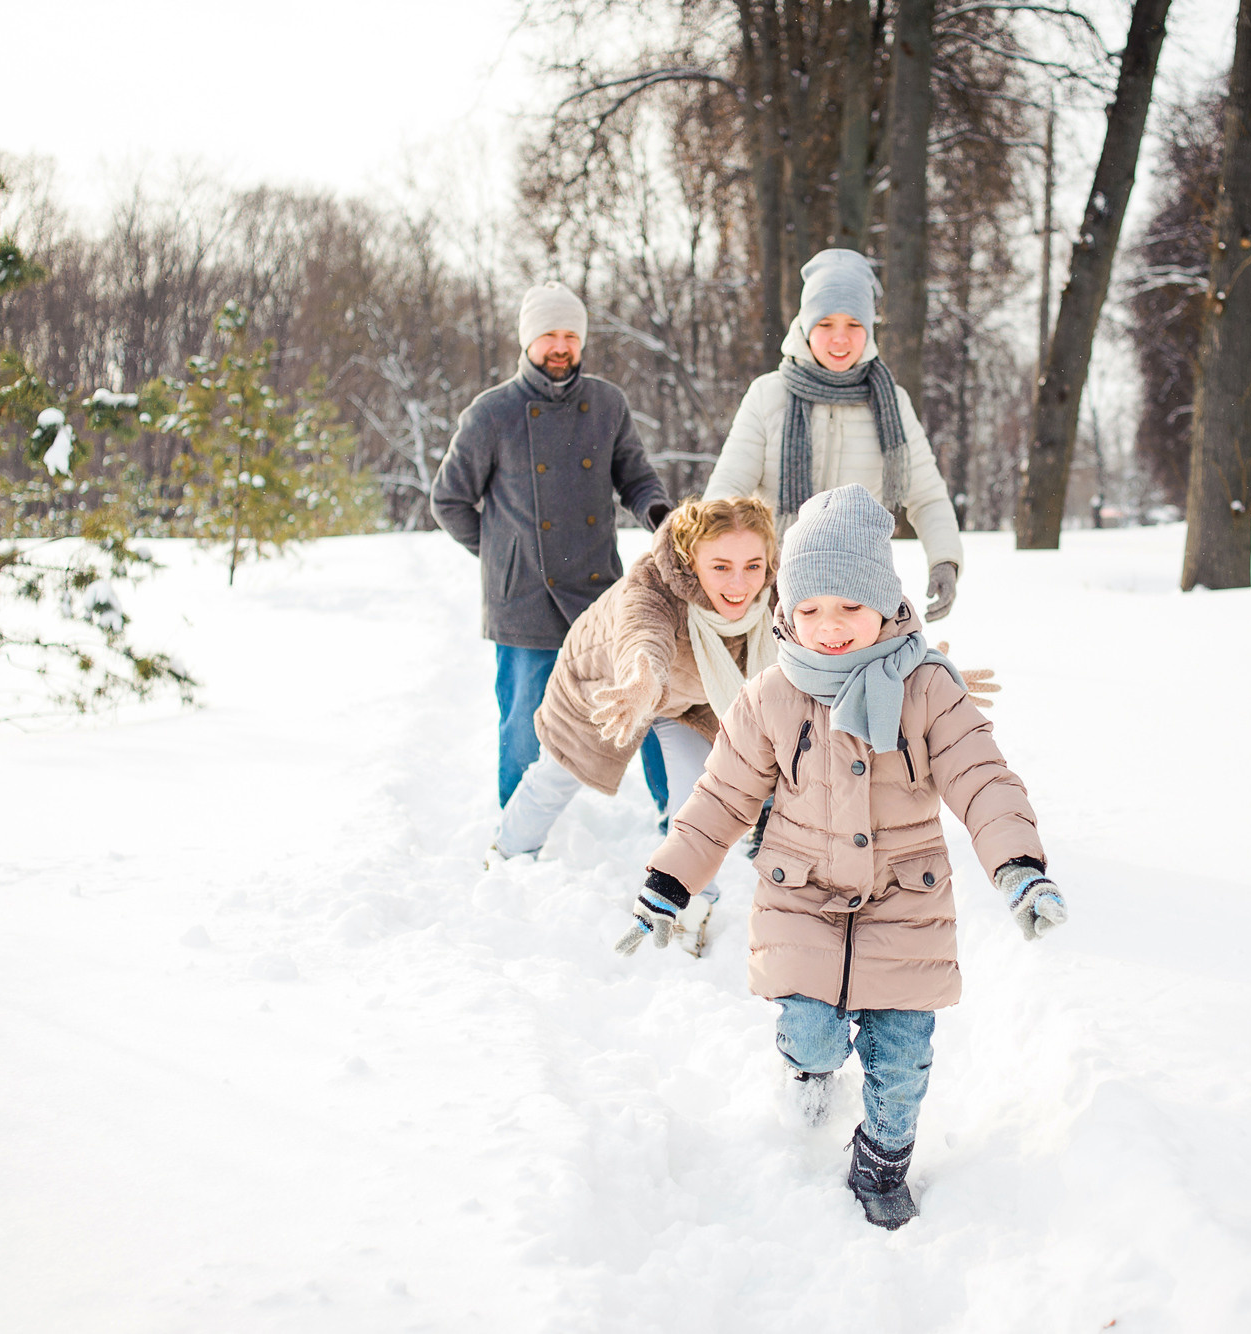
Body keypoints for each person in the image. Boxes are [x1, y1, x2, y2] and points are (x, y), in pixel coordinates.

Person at [616, 484, 1067, 1230]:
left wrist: (1019, 866)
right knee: (810, 1028)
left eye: (850, 609)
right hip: (800, 894)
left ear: (887, 607)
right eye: (811, 609)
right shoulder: (770, 696)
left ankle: (882, 1161)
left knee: (903, 1058)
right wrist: (669, 882)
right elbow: (722, 798)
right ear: (786, 611)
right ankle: (809, 1070)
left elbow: (982, 778)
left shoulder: (927, 691)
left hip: (905, 900)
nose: (829, 628)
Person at [491, 495, 781, 954]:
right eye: (721, 567)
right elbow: (641, 633)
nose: (740, 582)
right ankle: (506, 851)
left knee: (699, 792)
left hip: (691, 696)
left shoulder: (775, 591)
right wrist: (642, 677)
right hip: (608, 684)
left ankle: (691, 901)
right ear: (690, 560)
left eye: (753, 566)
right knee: (561, 773)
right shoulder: (653, 583)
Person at [431, 281, 670, 808]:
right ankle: (518, 827)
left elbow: (636, 478)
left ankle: (675, 814)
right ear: (527, 341)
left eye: (570, 335)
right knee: (523, 718)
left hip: (598, 591)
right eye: (548, 335)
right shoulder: (491, 413)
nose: (560, 346)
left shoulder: (608, 404)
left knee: (648, 701)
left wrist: (658, 513)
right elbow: (448, 500)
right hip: (523, 599)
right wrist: (505, 557)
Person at [704, 247, 965, 622]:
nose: (840, 339)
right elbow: (728, 492)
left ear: (870, 330)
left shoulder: (891, 402)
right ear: (805, 326)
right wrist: (711, 560)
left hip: (857, 593)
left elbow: (926, 495)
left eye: (854, 325)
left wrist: (945, 560)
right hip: (776, 585)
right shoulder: (769, 394)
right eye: (826, 324)